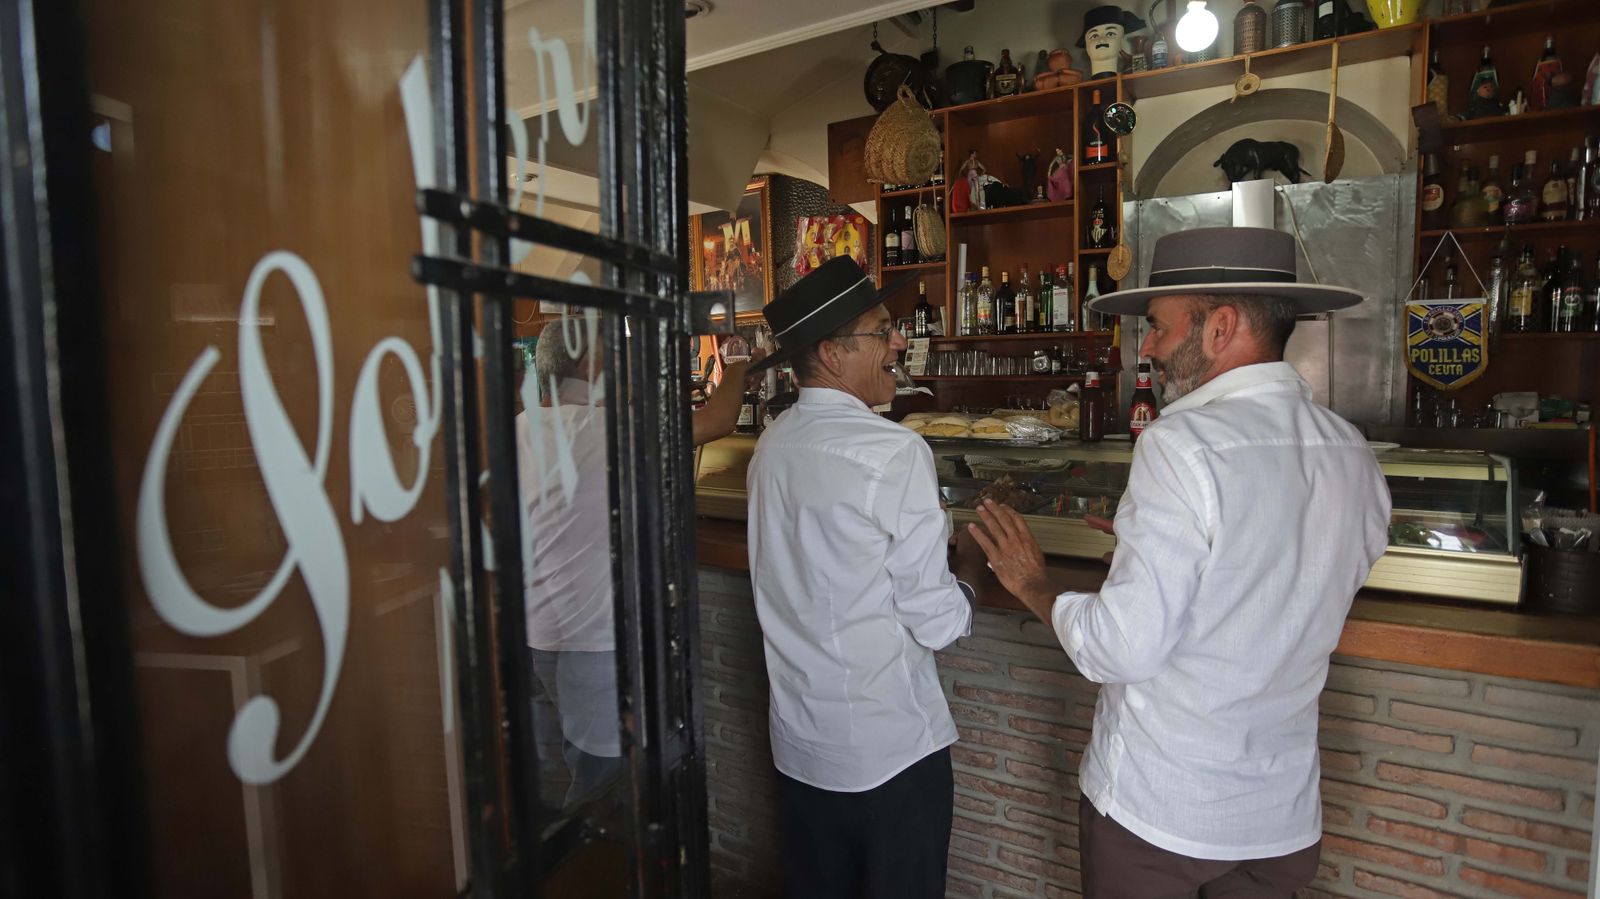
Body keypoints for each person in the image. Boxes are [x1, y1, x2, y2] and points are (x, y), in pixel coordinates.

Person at [966, 227, 1391, 899]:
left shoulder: (1178, 445)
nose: (1149, 349)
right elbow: (1306, 576)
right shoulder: (1350, 448)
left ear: (1220, 327)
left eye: (1160, 327)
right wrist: (1179, 555)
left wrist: (1034, 583)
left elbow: (1122, 649)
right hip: (1280, 818)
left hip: (1163, 816)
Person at [744, 256, 975, 899]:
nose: (899, 341)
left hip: (799, 746)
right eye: (882, 330)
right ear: (831, 353)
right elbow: (937, 622)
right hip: (887, 750)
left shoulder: (772, 444)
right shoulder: (893, 451)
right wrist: (971, 577)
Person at [518, 317, 755, 809]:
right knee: (605, 788)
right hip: (595, 646)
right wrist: (737, 362)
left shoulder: (519, 429)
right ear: (590, 363)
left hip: (539, 635)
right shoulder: (607, 430)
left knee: (566, 773)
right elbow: (718, 420)